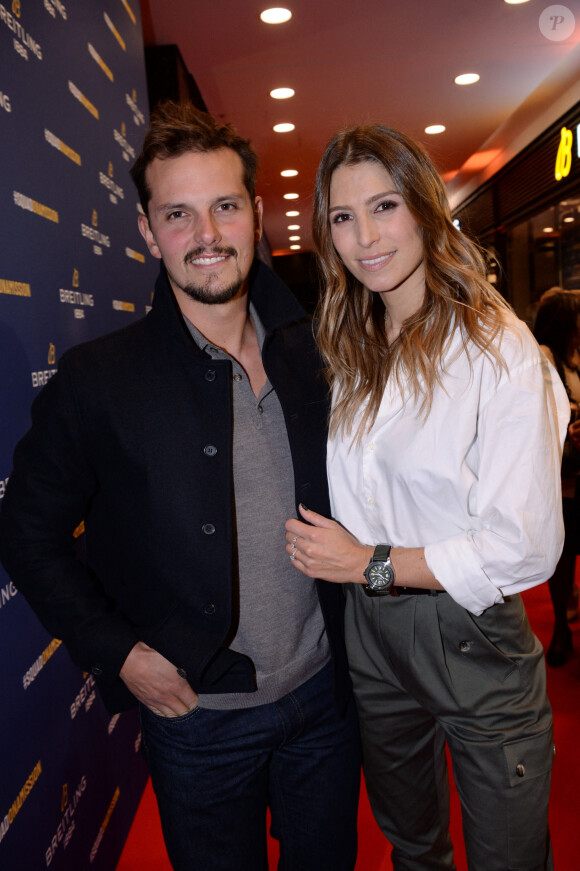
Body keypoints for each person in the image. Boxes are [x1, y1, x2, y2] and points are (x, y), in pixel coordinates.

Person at [0, 101, 360, 871]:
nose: (206, 235)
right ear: (146, 230)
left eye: (225, 206)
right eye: (178, 214)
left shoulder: (317, 351)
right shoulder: (99, 381)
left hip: (326, 700)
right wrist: (118, 651)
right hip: (200, 722)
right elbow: (25, 533)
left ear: (255, 213)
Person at [284, 124, 569, 871]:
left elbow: (526, 545)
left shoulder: (492, 344)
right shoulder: (350, 340)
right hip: (372, 637)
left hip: (468, 630)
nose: (365, 236)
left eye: (384, 206)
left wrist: (368, 563)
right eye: (342, 218)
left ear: (424, 207)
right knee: (412, 848)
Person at [533, 287, 580, 666]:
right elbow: (541, 418)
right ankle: (561, 631)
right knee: (563, 557)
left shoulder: (573, 355)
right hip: (563, 477)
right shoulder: (543, 357)